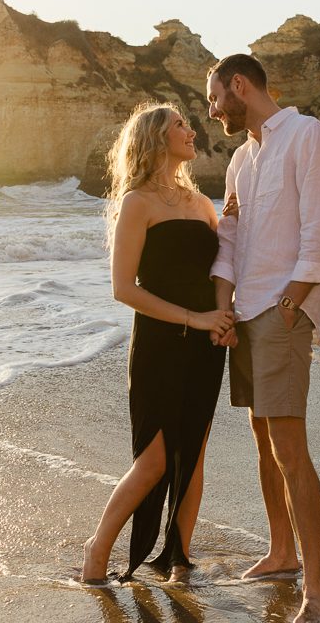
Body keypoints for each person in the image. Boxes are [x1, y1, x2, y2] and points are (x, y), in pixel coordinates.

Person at [206, 54, 320, 623]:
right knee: (264, 443)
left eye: (215, 98)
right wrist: (222, 309)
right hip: (244, 313)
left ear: (240, 85)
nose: (212, 111)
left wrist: (291, 303)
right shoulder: (242, 157)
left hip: (283, 312)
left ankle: (316, 589)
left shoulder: (307, 135)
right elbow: (231, 238)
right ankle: (281, 551)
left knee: (290, 449)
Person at [81, 101, 233, 585]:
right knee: (154, 460)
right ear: (155, 140)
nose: (191, 131)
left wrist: (222, 318)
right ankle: (96, 548)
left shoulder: (202, 204)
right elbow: (124, 288)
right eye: (180, 126)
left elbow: (218, 269)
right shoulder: (137, 203)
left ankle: (179, 560)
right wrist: (195, 317)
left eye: (188, 124)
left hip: (206, 343)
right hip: (159, 346)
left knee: (194, 453)